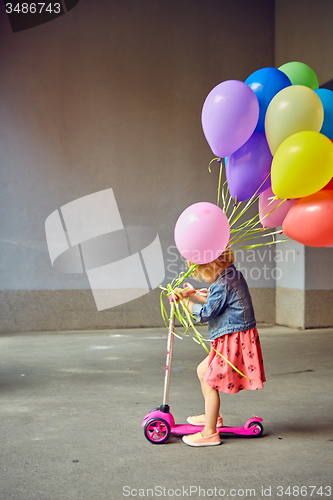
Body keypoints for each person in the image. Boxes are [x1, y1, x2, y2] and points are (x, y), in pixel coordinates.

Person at [174, 247, 266, 447]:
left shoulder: (223, 283)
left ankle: (209, 433)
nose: (202, 279)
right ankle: (212, 417)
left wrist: (185, 302)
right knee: (202, 371)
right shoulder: (231, 275)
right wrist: (195, 295)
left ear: (210, 267)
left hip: (232, 339)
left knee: (209, 381)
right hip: (232, 337)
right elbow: (218, 303)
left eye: (201, 274)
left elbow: (207, 313)